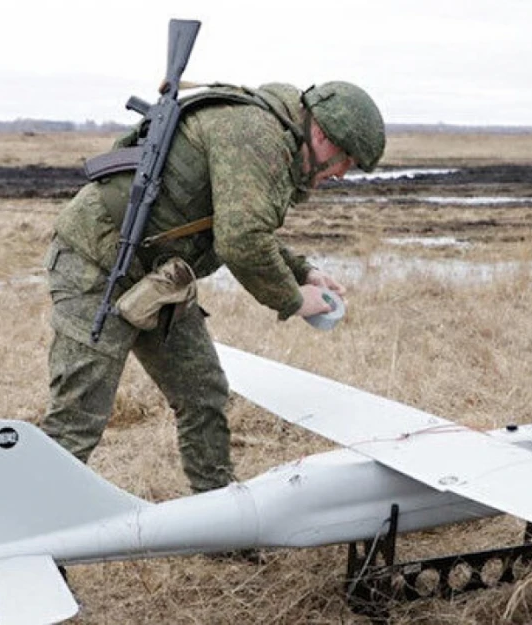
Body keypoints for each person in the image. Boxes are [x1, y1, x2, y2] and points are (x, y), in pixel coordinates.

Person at [41, 81, 385, 494]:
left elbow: (240, 219)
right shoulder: (256, 135)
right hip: (96, 265)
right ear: (322, 134)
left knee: (203, 393)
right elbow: (241, 241)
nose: (342, 172)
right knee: (78, 418)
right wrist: (294, 300)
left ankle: (219, 509)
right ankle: (18, 534)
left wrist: (302, 272)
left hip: (161, 278)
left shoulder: (272, 134)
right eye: (344, 158)